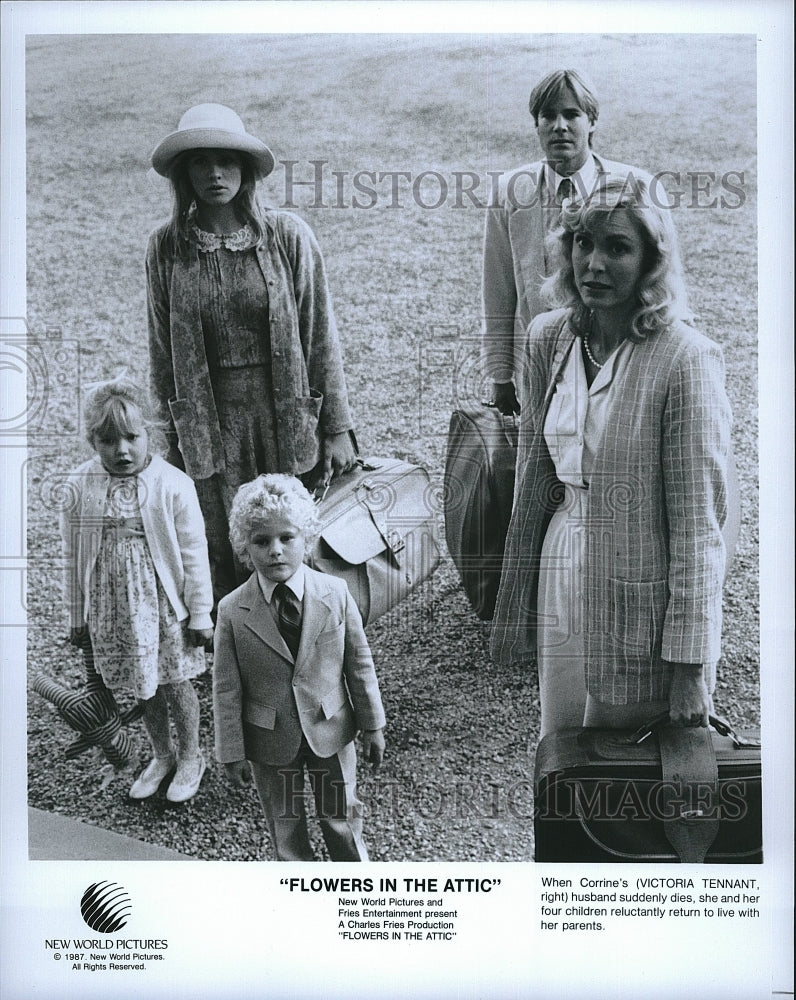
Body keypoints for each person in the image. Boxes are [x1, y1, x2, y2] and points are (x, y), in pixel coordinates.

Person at [490, 177, 733, 736]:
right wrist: (516, 603)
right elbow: (534, 478)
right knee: (565, 748)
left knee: (636, 766)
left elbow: (699, 528)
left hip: (639, 592)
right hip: (561, 564)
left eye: (618, 248)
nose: (593, 264)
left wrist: (690, 664)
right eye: (583, 243)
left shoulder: (685, 359)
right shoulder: (549, 337)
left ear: (651, 261)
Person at [147, 103, 358, 605]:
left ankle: (309, 649)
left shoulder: (286, 235)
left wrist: (337, 426)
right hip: (209, 422)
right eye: (201, 162)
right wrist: (165, 442)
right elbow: (160, 351)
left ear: (245, 170)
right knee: (223, 546)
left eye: (227, 160)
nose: (215, 174)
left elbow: (319, 331)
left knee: (292, 538)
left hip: (285, 414)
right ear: (184, 173)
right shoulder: (166, 248)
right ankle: (239, 659)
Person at [213, 474, 385, 861]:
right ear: (245, 546)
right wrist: (231, 750)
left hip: (331, 726)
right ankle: (298, 889)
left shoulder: (335, 593)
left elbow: (358, 663)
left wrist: (373, 724)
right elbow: (226, 689)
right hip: (270, 739)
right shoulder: (232, 612)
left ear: (306, 539)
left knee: (341, 815)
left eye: (286, 538)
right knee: (285, 824)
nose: (275, 551)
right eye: (261, 541)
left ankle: (355, 884)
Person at [60, 375, 214, 802]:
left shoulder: (172, 483)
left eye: (132, 437)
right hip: (115, 607)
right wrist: (77, 616)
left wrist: (201, 613)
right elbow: (73, 555)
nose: (122, 450)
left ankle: (190, 756)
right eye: (109, 441)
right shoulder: (79, 486)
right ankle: (161, 754)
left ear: (151, 433)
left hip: (163, 605)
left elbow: (193, 552)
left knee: (175, 680)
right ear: (93, 441)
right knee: (142, 682)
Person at [482, 68, 649, 415]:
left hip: (614, 359)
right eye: (548, 115)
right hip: (539, 365)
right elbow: (498, 290)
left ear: (592, 122)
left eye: (572, 114)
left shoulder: (635, 187)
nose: (560, 125)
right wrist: (500, 375)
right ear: (536, 124)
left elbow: (658, 281)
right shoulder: (511, 191)